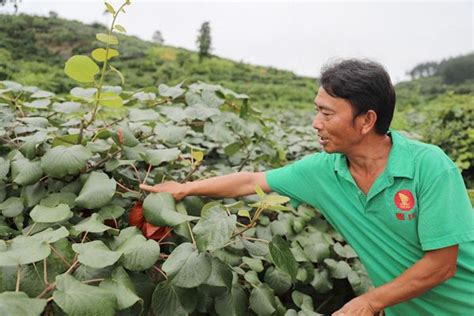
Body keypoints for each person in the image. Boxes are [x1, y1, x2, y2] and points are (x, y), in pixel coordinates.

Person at [140, 59, 474, 315]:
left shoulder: (429, 166)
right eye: (317, 111)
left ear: (367, 121)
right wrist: (185, 188)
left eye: (327, 114)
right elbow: (251, 180)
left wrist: (369, 302)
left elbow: (441, 264)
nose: (316, 123)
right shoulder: (323, 172)